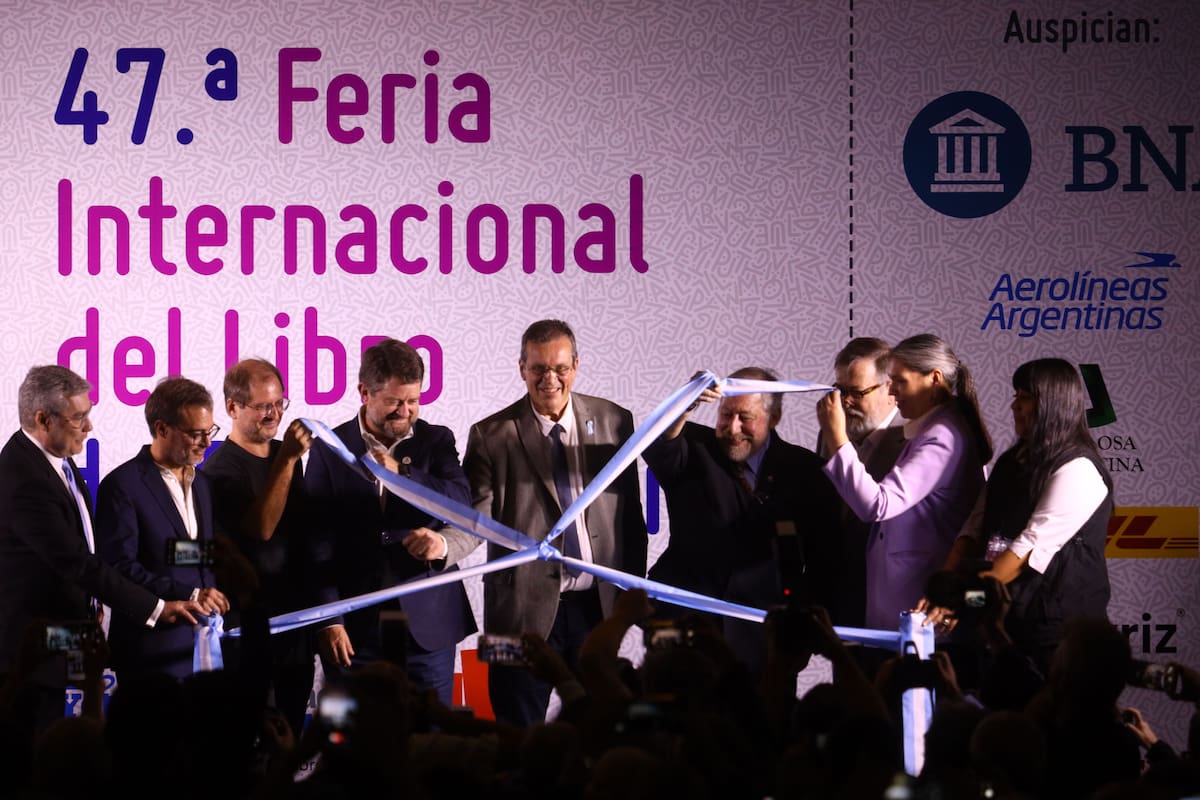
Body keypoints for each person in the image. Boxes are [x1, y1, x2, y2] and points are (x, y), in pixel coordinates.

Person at [0, 366, 208, 729]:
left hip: (68, 638)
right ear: (42, 419)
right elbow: (80, 564)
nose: (89, 427)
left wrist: (92, 608)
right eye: (79, 418)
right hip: (28, 654)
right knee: (30, 762)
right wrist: (157, 607)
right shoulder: (24, 478)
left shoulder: (60, 464)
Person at [463, 319, 647, 726]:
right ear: (521, 368)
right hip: (513, 617)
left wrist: (631, 591)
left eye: (560, 368)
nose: (550, 379)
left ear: (576, 367)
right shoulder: (489, 434)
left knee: (596, 732)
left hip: (594, 610)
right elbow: (474, 518)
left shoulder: (616, 420)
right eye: (538, 368)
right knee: (514, 733)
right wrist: (442, 546)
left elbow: (630, 516)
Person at [304, 338, 478, 706]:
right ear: (364, 392)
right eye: (394, 402)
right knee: (353, 746)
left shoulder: (436, 440)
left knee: (430, 744)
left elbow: (462, 502)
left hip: (428, 627)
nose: (405, 411)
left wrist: (401, 472)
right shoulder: (329, 447)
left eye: (413, 401)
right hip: (354, 628)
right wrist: (329, 619)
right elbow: (315, 540)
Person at [920, 358, 1113, 673]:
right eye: (1015, 395)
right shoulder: (1011, 461)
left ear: (1052, 404)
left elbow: (1024, 552)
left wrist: (960, 600)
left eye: (1024, 397)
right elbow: (973, 529)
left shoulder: (1078, 470)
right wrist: (944, 588)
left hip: (1058, 637)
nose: (1014, 406)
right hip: (1004, 625)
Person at [641, 367, 839, 642]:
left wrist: (804, 628)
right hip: (682, 625)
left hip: (766, 632)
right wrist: (686, 404)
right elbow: (658, 444)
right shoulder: (694, 447)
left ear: (774, 418)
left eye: (745, 418)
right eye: (726, 415)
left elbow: (824, 561)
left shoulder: (806, 471)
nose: (733, 428)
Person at [816, 334, 991, 632]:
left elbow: (876, 505)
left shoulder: (942, 438)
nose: (893, 392)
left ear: (934, 379)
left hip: (918, 598)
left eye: (900, 382)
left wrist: (837, 437)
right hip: (898, 596)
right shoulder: (932, 430)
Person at [202, 358, 319, 736]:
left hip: (296, 628)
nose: (274, 415)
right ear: (233, 408)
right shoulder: (220, 470)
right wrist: (286, 460)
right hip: (250, 631)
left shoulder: (288, 459)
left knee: (290, 734)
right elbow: (261, 529)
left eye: (280, 404)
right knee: (256, 739)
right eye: (263, 406)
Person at [95, 376, 231, 683]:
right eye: (196, 434)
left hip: (205, 649)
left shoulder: (205, 485)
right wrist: (192, 593)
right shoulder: (122, 485)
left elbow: (197, 554)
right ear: (161, 429)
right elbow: (119, 568)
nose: (207, 443)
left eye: (209, 432)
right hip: (150, 652)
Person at [818, 338, 906, 627]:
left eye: (857, 392)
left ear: (890, 389)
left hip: (894, 598)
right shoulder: (832, 432)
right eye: (840, 390)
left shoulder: (913, 441)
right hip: (842, 596)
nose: (845, 402)